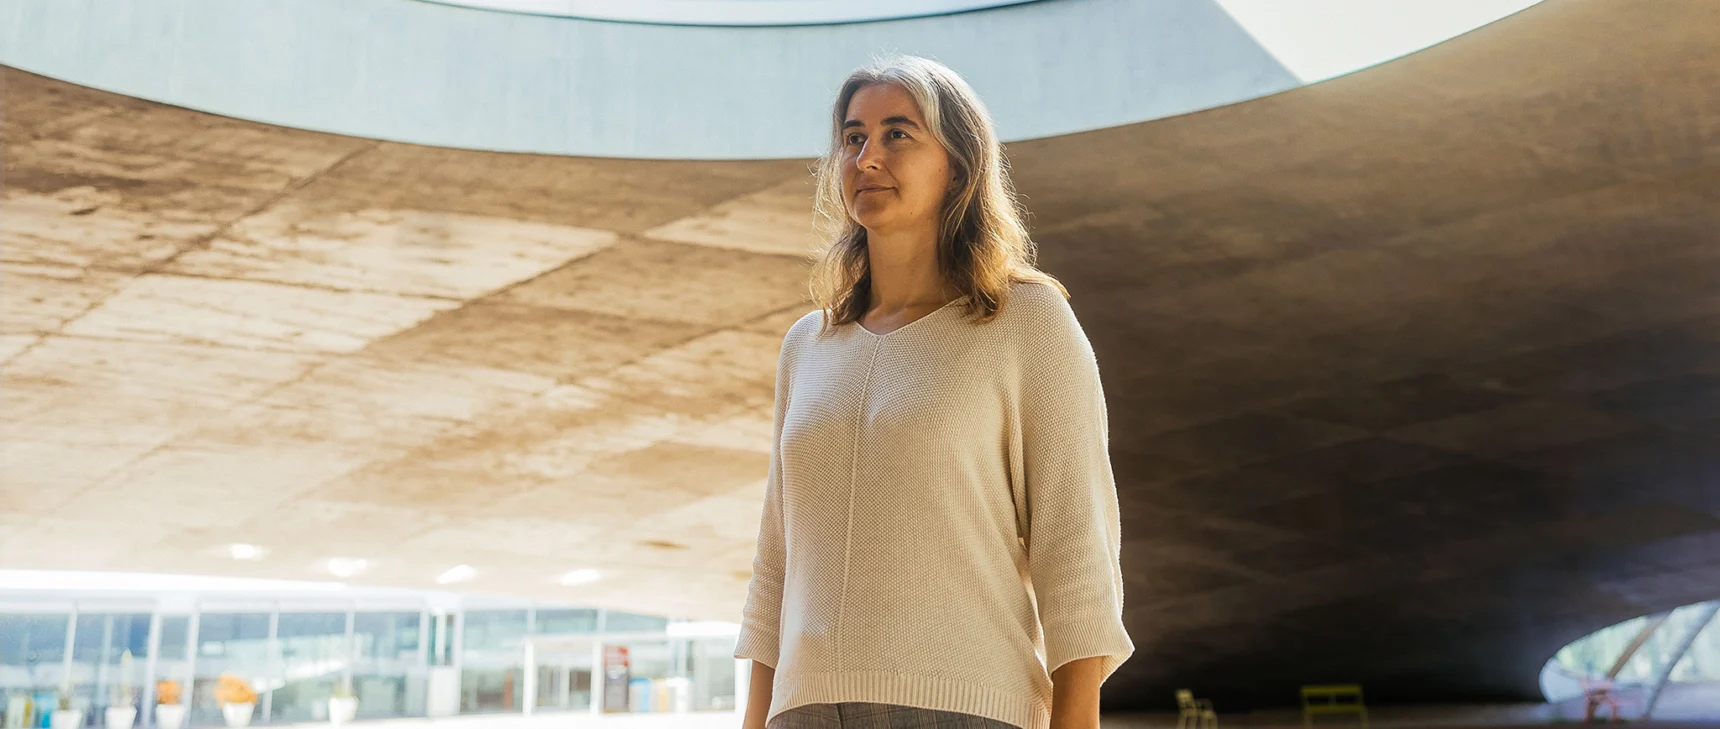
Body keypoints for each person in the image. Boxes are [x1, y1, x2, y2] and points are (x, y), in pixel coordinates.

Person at [734, 55, 1134, 729]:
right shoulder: (807, 345)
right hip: (800, 711)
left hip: (966, 705)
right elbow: (775, 561)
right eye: (853, 137)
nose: (867, 157)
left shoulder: (1026, 321)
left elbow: (1076, 550)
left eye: (897, 134)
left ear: (958, 162)